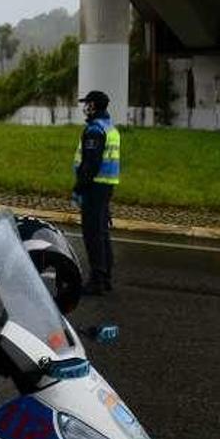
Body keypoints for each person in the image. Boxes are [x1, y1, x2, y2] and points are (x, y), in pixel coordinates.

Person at [73, 90, 120, 294]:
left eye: (87, 104)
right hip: (107, 185)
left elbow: (91, 163)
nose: (85, 107)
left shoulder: (94, 130)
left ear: (94, 106)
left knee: (92, 233)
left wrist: (79, 187)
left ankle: (97, 280)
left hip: (94, 186)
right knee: (102, 232)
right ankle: (106, 276)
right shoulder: (111, 128)